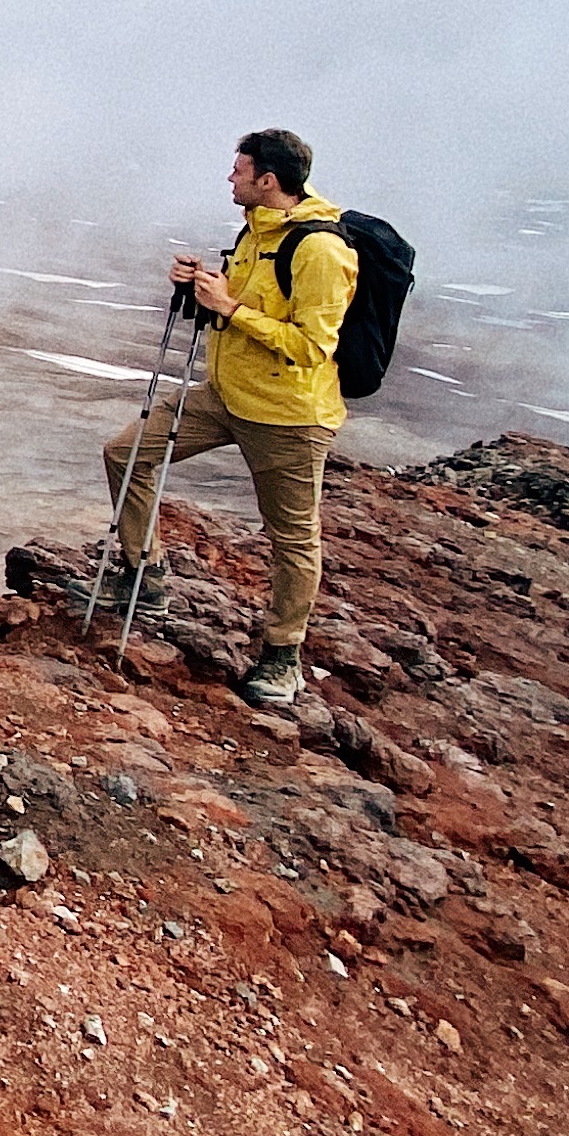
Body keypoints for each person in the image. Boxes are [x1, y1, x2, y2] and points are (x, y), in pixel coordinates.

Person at [103, 127, 357, 713]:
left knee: (292, 536)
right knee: (126, 453)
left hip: (289, 416)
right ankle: (146, 578)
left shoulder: (320, 250)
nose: (230, 178)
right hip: (226, 395)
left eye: (238, 169)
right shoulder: (258, 232)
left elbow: (312, 346)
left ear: (269, 180)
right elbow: (237, 308)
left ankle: (282, 656)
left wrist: (231, 307)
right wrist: (201, 290)